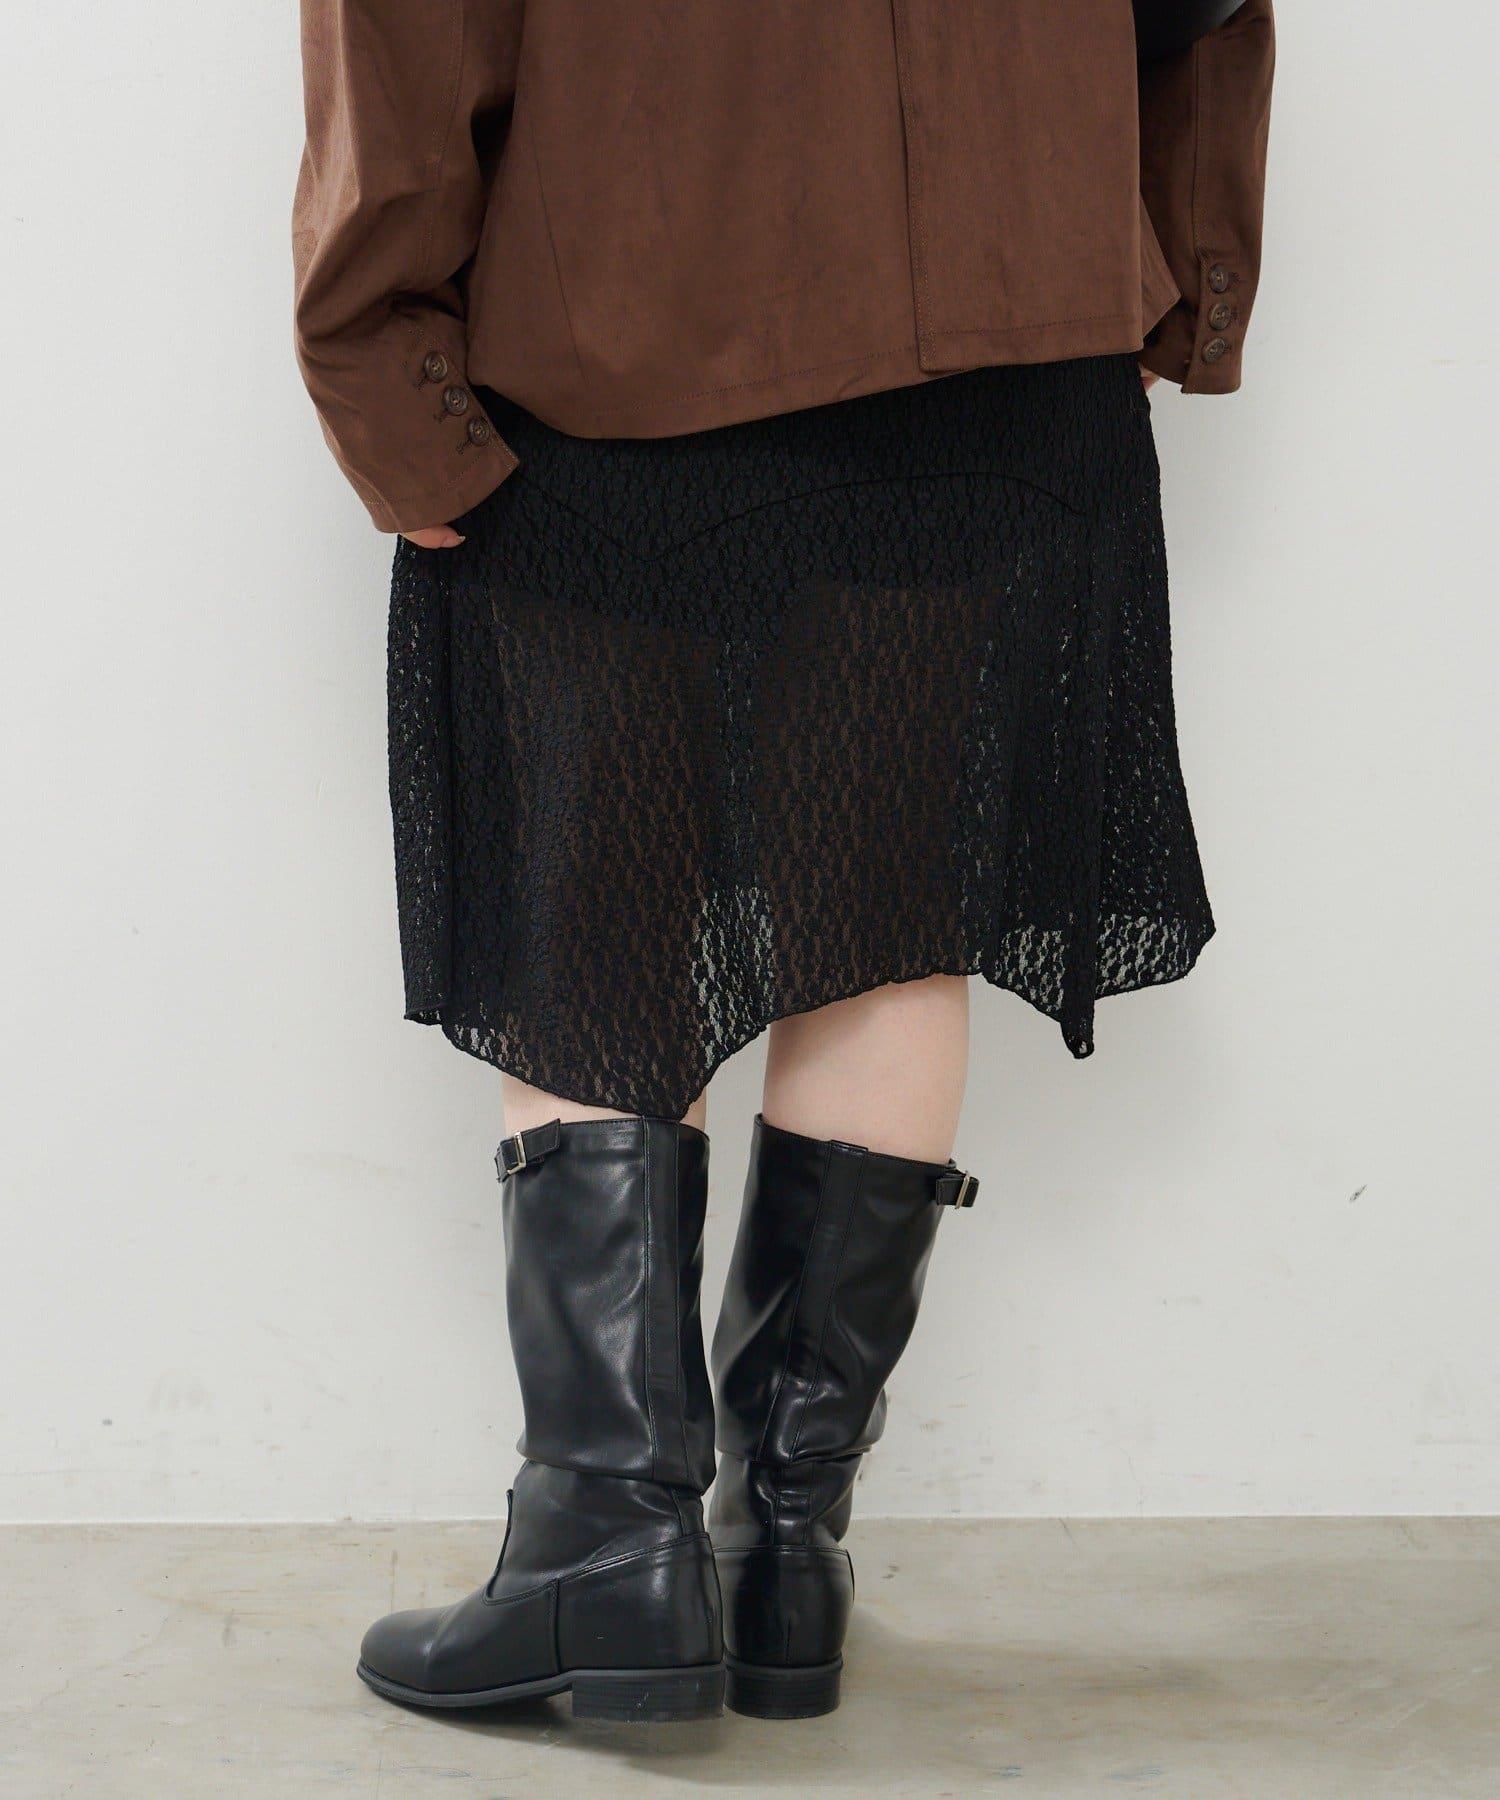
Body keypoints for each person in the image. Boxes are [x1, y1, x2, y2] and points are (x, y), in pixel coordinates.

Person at [292, 0, 1274, 1724]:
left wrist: (378, 349)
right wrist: (1167, 255)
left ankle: (607, 1547)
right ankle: (785, 1551)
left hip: (638, 283)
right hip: (1009, 299)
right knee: (892, 914)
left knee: (597, 918)